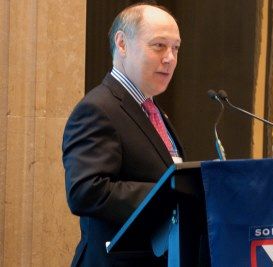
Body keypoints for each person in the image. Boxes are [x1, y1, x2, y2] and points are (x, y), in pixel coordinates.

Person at [62, 3, 183, 266]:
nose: (170, 58)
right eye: (159, 45)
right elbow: (86, 191)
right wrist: (172, 196)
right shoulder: (98, 109)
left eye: (175, 48)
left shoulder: (153, 112)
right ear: (122, 44)